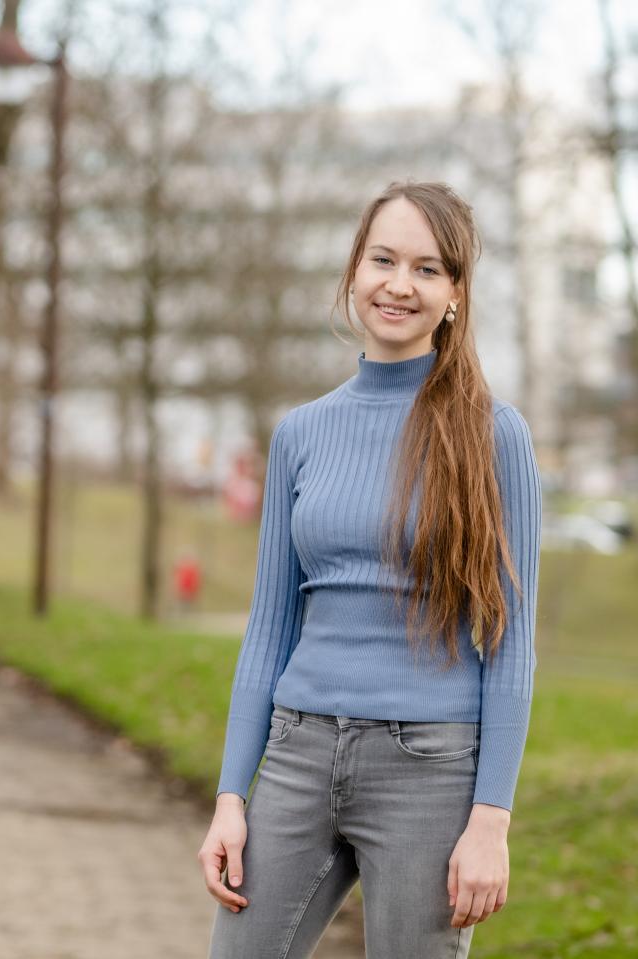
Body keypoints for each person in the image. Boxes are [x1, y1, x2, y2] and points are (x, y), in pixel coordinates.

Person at [197, 181, 540, 958]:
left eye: (426, 269)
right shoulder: (301, 432)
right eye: (383, 259)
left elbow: (512, 641)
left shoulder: (495, 435)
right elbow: (269, 628)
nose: (398, 284)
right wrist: (230, 796)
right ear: (354, 269)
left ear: (455, 294)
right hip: (296, 753)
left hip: (429, 771)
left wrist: (491, 820)